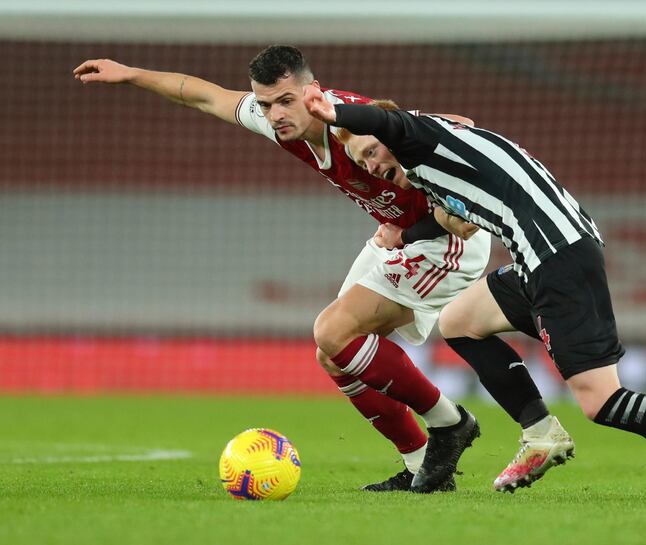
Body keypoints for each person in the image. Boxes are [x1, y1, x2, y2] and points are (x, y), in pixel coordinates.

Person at [304, 88, 646, 502]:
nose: (371, 164)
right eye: (363, 159)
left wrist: (334, 113)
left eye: (372, 151)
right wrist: (405, 237)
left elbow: (385, 120)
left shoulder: (416, 136)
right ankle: (540, 434)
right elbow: (457, 219)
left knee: (602, 401)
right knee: (459, 321)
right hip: (540, 257)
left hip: (559, 258)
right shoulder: (438, 158)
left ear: (391, 133)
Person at [73, 45, 497, 493]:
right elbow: (205, 95)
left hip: (446, 244)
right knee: (333, 355)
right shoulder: (283, 123)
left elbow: (439, 137)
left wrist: (431, 205)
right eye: (265, 104)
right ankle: (420, 467)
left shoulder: (358, 128)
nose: (275, 114)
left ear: (312, 92)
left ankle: (450, 423)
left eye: (285, 101)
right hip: (401, 232)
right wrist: (131, 73)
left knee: (334, 332)